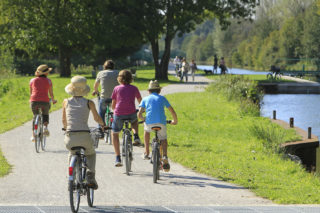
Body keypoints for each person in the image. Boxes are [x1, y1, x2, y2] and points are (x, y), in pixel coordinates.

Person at [63, 76, 105, 190]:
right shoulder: (89, 102)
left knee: (71, 153)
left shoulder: (66, 102)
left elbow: (64, 121)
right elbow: (96, 118)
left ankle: (70, 178)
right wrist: (103, 125)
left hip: (70, 136)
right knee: (91, 153)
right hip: (84, 136)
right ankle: (90, 175)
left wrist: (65, 128)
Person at [138, 80, 178, 171]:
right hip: (161, 122)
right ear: (159, 91)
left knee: (146, 131)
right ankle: (165, 156)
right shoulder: (162, 98)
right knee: (163, 138)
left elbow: (139, 115)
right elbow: (172, 110)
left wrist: (144, 119)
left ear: (149, 91)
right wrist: (174, 121)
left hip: (149, 123)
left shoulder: (145, 99)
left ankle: (147, 152)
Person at [111, 70, 142, 166]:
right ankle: (136, 135)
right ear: (131, 78)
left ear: (119, 78)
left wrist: (114, 109)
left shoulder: (116, 88)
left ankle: (117, 157)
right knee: (134, 121)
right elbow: (140, 101)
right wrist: (141, 109)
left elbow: (113, 105)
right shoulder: (134, 88)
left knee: (115, 134)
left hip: (119, 114)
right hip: (131, 112)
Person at [29, 64, 57, 142]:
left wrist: (31, 100)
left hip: (34, 101)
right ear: (46, 73)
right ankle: (45, 127)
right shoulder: (48, 81)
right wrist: (53, 100)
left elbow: (31, 93)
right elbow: (51, 93)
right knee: (45, 114)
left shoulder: (32, 80)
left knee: (35, 116)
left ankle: (33, 135)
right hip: (45, 101)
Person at [92, 60, 119, 137]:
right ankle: (116, 125)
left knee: (101, 113)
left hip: (104, 97)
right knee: (116, 111)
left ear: (104, 67)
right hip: (115, 98)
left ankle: (100, 130)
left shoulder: (100, 73)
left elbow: (96, 86)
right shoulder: (117, 72)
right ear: (113, 66)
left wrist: (95, 91)